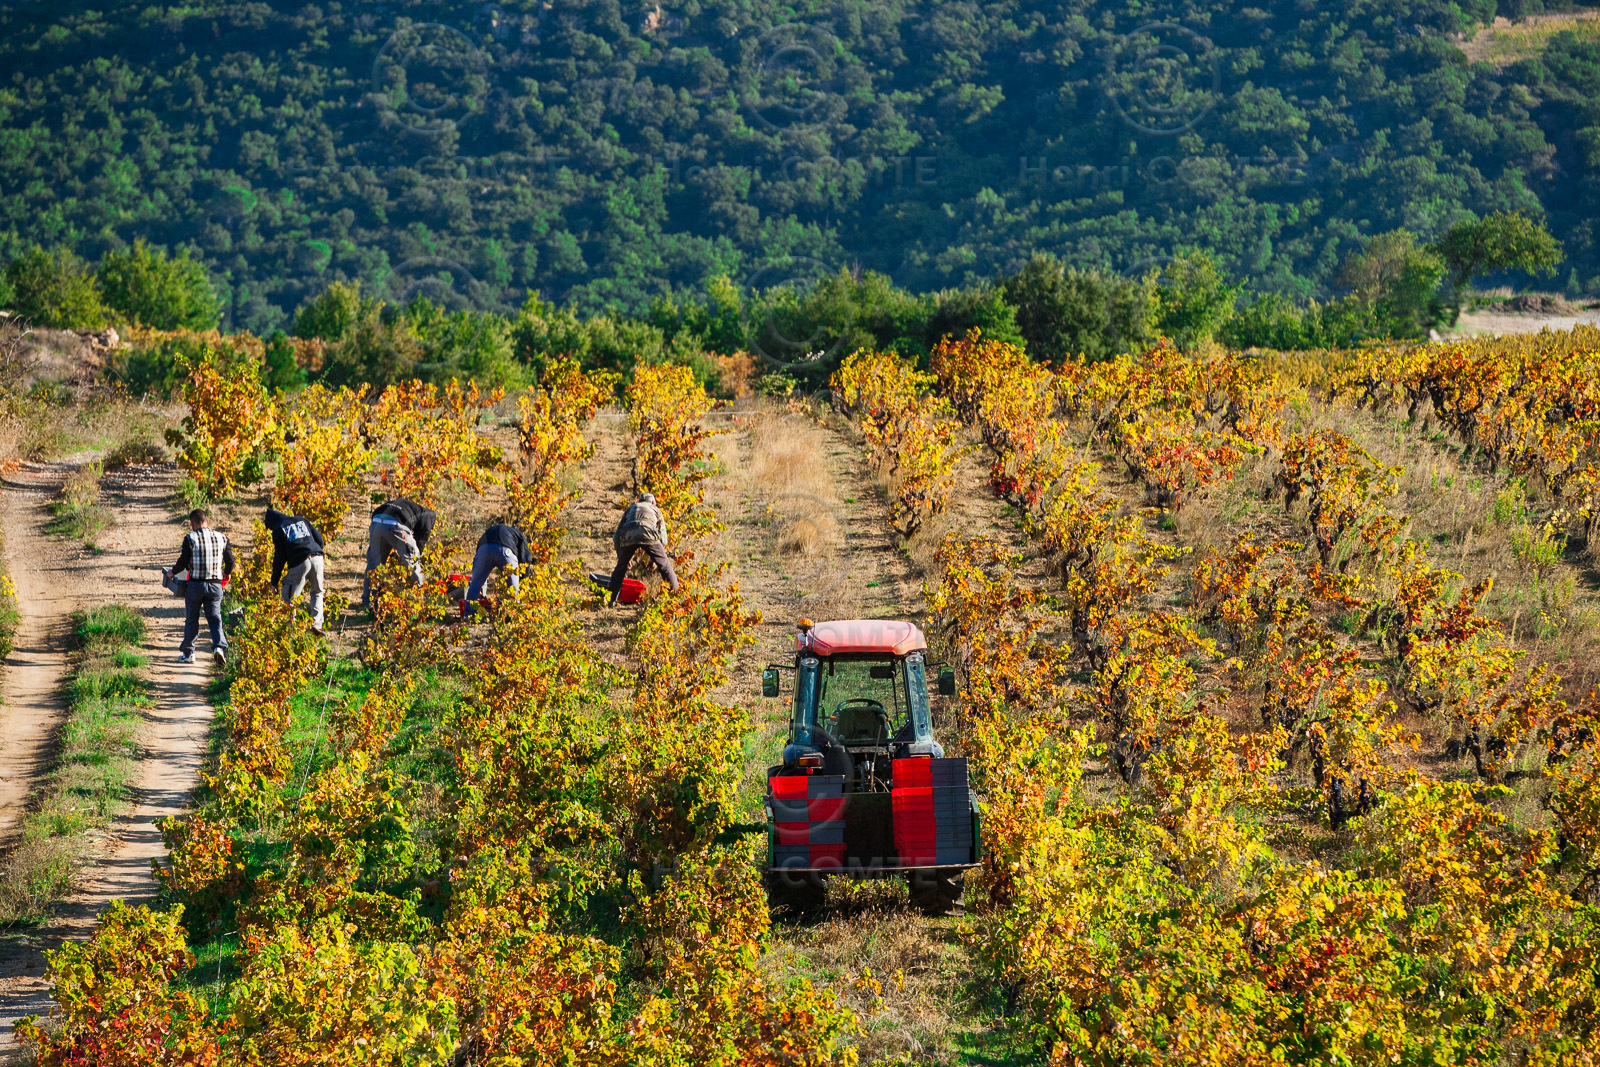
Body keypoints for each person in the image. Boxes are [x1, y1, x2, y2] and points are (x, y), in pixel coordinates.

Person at [171, 507, 234, 665]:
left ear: (192, 523)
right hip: (215, 586)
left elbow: (183, 562)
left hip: (196, 586)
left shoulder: (190, 538)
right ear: (207, 521)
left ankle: (189, 653)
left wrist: (172, 572)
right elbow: (231, 561)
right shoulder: (222, 537)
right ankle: (219, 647)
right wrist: (226, 573)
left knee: (192, 620)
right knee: (215, 619)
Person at [362, 497, 436, 610]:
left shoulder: (410, 507)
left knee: (374, 564)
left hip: (376, 521)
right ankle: (421, 601)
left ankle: (368, 601)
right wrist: (414, 553)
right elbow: (421, 539)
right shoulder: (429, 516)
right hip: (395, 524)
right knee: (413, 563)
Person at [608, 492, 679, 605]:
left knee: (620, 569)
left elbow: (616, 536)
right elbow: (663, 539)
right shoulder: (655, 509)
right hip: (649, 533)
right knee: (665, 566)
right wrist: (655, 559)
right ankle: (675, 597)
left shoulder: (631, 508)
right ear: (653, 502)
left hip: (628, 533)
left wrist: (621, 557)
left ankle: (611, 599)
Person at [265, 506, 326, 634]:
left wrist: (274, 581)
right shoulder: (301, 520)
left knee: (289, 596)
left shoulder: (278, 528)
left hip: (300, 562)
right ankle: (317, 624)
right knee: (317, 592)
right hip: (318, 558)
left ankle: (292, 627)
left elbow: (279, 558)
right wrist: (313, 551)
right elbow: (320, 540)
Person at [465, 521, 533, 616]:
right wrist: (523, 578)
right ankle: (514, 616)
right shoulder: (518, 535)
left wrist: (477, 578)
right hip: (506, 551)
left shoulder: (490, 531)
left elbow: (478, 557)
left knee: (475, 585)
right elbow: (525, 558)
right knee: (513, 589)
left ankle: (467, 615)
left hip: (484, 550)